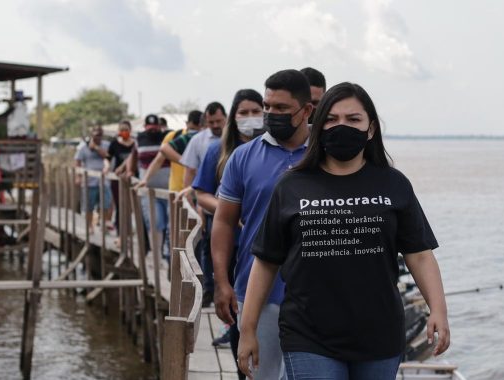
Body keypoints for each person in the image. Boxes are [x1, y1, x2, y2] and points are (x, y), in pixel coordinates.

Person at [237, 82, 450, 380]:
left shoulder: (393, 184)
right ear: (318, 126)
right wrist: (247, 330)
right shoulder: (291, 186)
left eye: (353, 120)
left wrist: (438, 310)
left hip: (379, 335)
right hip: (308, 335)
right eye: (332, 119)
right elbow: (266, 260)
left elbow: (420, 255)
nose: (342, 127)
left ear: (371, 129)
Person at [212, 69, 313, 379]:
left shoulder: (326, 154)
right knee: (262, 374)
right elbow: (224, 223)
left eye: (281, 108)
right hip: (258, 292)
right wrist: (222, 283)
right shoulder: (243, 157)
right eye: (267, 106)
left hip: (316, 294)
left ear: (306, 110)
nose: (271, 114)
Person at [192, 89, 264, 380]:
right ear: (234, 117)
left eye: (255, 111)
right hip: (232, 244)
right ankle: (241, 370)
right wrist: (230, 212)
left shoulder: (274, 150)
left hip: (263, 247)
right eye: (243, 112)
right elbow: (201, 194)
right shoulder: (218, 151)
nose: (249, 118)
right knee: (238, 313)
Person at [127, 114, 171, 256]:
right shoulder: (139, 139)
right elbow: (132, 157)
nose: (152, 130)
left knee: (169, 224)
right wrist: (129, 171)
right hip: (149, 191)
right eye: (149, 128)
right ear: (145, 127)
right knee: (155, 223)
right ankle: (156, 255)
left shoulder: (168, 137)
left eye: (155, 127)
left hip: (169, 190)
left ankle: (165, 254)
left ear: (159, 126)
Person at [138, 110, 203, 191]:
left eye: (199, 129)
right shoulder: (174, 136)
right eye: (192, 129)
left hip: (196, 189)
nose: (194, 133)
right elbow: (159, 160)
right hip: (176, 190)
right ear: (187, 123)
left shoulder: (205, 139)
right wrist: (145, 179)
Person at [74, 125, 112, 234]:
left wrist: (96, 148)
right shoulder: (83, 147)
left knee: (105, 204)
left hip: (104, 180)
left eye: (99, 135)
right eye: (95, 135)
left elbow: (108, 156)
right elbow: (77, 161)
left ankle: (103, 224)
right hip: (89, 181)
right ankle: (90, 226)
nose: (97, 137)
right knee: (88, 206)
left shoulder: (106, 145)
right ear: (92, 135)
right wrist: (78, 176)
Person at [107, 120, 136, 230]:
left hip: (132, 178)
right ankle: (120, 231)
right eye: (122, 130)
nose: (124, 132)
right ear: (119, 131)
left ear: (130, 130)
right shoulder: (114, 143)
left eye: (126, 130)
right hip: (117, 179)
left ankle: (129, 228)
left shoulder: (135, 144)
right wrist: (106, 167)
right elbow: (107, 158)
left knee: (131, 206)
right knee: (120, 205)